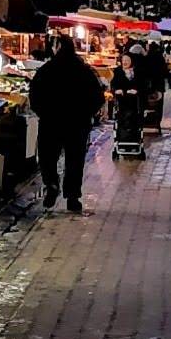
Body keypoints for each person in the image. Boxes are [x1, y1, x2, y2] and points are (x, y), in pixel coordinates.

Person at [29, 35, 105, 214]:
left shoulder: (47, 70)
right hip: (77, 123)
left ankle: (52, 183)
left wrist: (43, 113)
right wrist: (87, 114)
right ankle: (72, 197)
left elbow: (35, 95)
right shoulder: (83, 70)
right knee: (75, 160)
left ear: (57, 48)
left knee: (48, 156)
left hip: (51, 122)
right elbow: (97, 97)